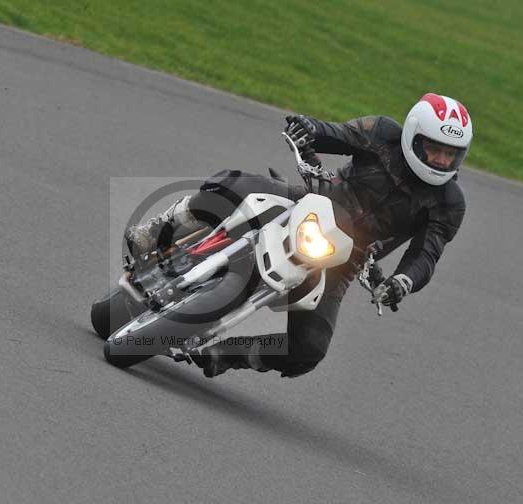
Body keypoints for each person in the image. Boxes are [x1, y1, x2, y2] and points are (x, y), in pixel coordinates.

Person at [124, 93, 472, 378]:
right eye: (434, 149)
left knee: (309, 348)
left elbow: (426, 255)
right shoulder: (382, 134)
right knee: (232, 184)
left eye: (450, 154)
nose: (441, 160)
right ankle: (158, 231)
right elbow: (338, 134)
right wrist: (309, 128)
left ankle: (227, 354)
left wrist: (402, 282)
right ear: (413, 137)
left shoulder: (449, 203)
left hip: (343, 259)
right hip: (310, 203)